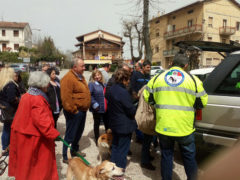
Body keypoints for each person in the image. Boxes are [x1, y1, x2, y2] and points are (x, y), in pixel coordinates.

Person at [144, 53, 208, 180]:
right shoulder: (193, 80)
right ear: (185, 65)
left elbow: (148, 98)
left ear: (172, 63)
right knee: (189, 157)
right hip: (185, 127)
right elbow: (202, 102)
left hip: (164, 125)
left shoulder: (157, 78)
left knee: (166, 155)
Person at [8, 71, 60, 180]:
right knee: (37, 167)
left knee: (25, 165)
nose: (48, 85)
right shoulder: (38, 99)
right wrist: (54, 134)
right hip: (32, 137)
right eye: (46, 83)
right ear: (41, 85)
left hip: (23, 133)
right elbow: (42, 122)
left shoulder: (28, 94)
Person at [61, 58, 91, 163]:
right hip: (74, 112)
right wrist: (74, 111)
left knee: (78, 132)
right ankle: (65, 156)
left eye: (84, 66)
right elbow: (66, 99)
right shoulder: (68, 78)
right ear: (75, 67)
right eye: (82, 66)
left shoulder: (80, 77)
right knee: (70, 134)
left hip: (82, 111)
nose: (84, 68)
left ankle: (74, 150)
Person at [106, 69, 137, 169]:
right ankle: (119, 173)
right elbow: (131, 110)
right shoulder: (123, 92)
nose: (129, 82)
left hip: (114, 123)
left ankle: (112, 169)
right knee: (123, 150)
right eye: (128, 80)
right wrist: (135, 107)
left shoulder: (111, 89)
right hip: (124, 125)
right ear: (124, 79)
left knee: (115, 147)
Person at [0, 67, 21, 153]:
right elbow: (12, 99)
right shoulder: (10, 85)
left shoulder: (2, 84)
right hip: (11, 110)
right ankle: (7, 149)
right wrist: (20, 99)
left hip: (4, 109)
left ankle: (5, 148)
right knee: (9, 129)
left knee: (6, 129)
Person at [88, 70, 108, 144]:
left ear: (101, 75)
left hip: (105, 108)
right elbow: (89, 95)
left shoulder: (104, 84)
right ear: (93, 77)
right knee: (97, 124)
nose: (97, 77)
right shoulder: (91, 84)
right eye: (95, 75)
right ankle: (97, 139)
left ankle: (107, 139)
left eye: (98, 75)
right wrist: (94, 104)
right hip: (97, 108)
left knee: (107, 124)